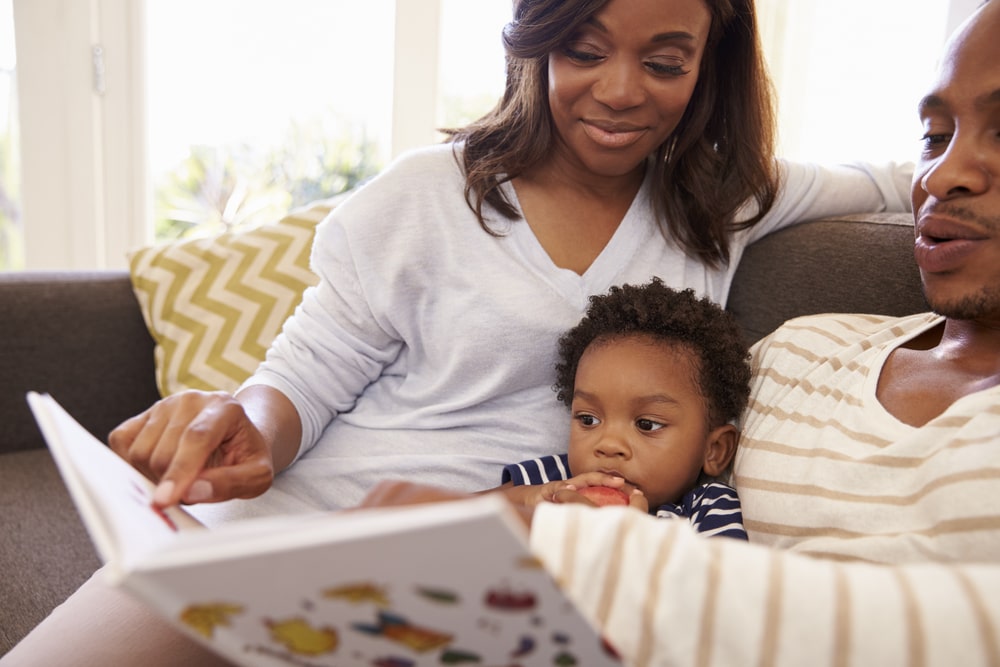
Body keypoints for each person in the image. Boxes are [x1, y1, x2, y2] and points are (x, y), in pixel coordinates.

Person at [1, 0, 911, 664]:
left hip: (470, 570)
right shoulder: (425, 193)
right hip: (291, 527)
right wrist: (250, 424)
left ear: (709, 63)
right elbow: (303, 377)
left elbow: (899, 179)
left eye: (666, 62)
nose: (620, 91)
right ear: (536, 40)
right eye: (585, 50)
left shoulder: (722, 202)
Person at [361, 2, 1000, 664]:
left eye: (665, 63)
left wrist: (559, 543)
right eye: (933, 136)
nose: (942, 174)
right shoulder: (796, 352)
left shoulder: (719, 204)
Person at [494, 278, 750, 540]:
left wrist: (628, 541)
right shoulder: (555, 480)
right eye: (588, 419)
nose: (608, 444)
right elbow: (469, 511)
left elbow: (724, 567)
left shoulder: (707, 509)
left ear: (714, 450)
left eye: (646, 424)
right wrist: (526, 499)